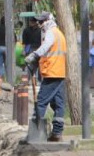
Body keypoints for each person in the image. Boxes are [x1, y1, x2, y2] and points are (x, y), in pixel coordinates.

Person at [26, 11, 68, 142]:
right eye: (38, 22)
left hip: (52, 72)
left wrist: (34, 55)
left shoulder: (51, 32)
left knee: (42, 101)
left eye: (41, 21)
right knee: (58, 103)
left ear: (48, 20)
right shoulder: (58, 33)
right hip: (58, 72)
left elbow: (46, 47)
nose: (39, 24)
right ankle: (57, 132)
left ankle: (35, 133)